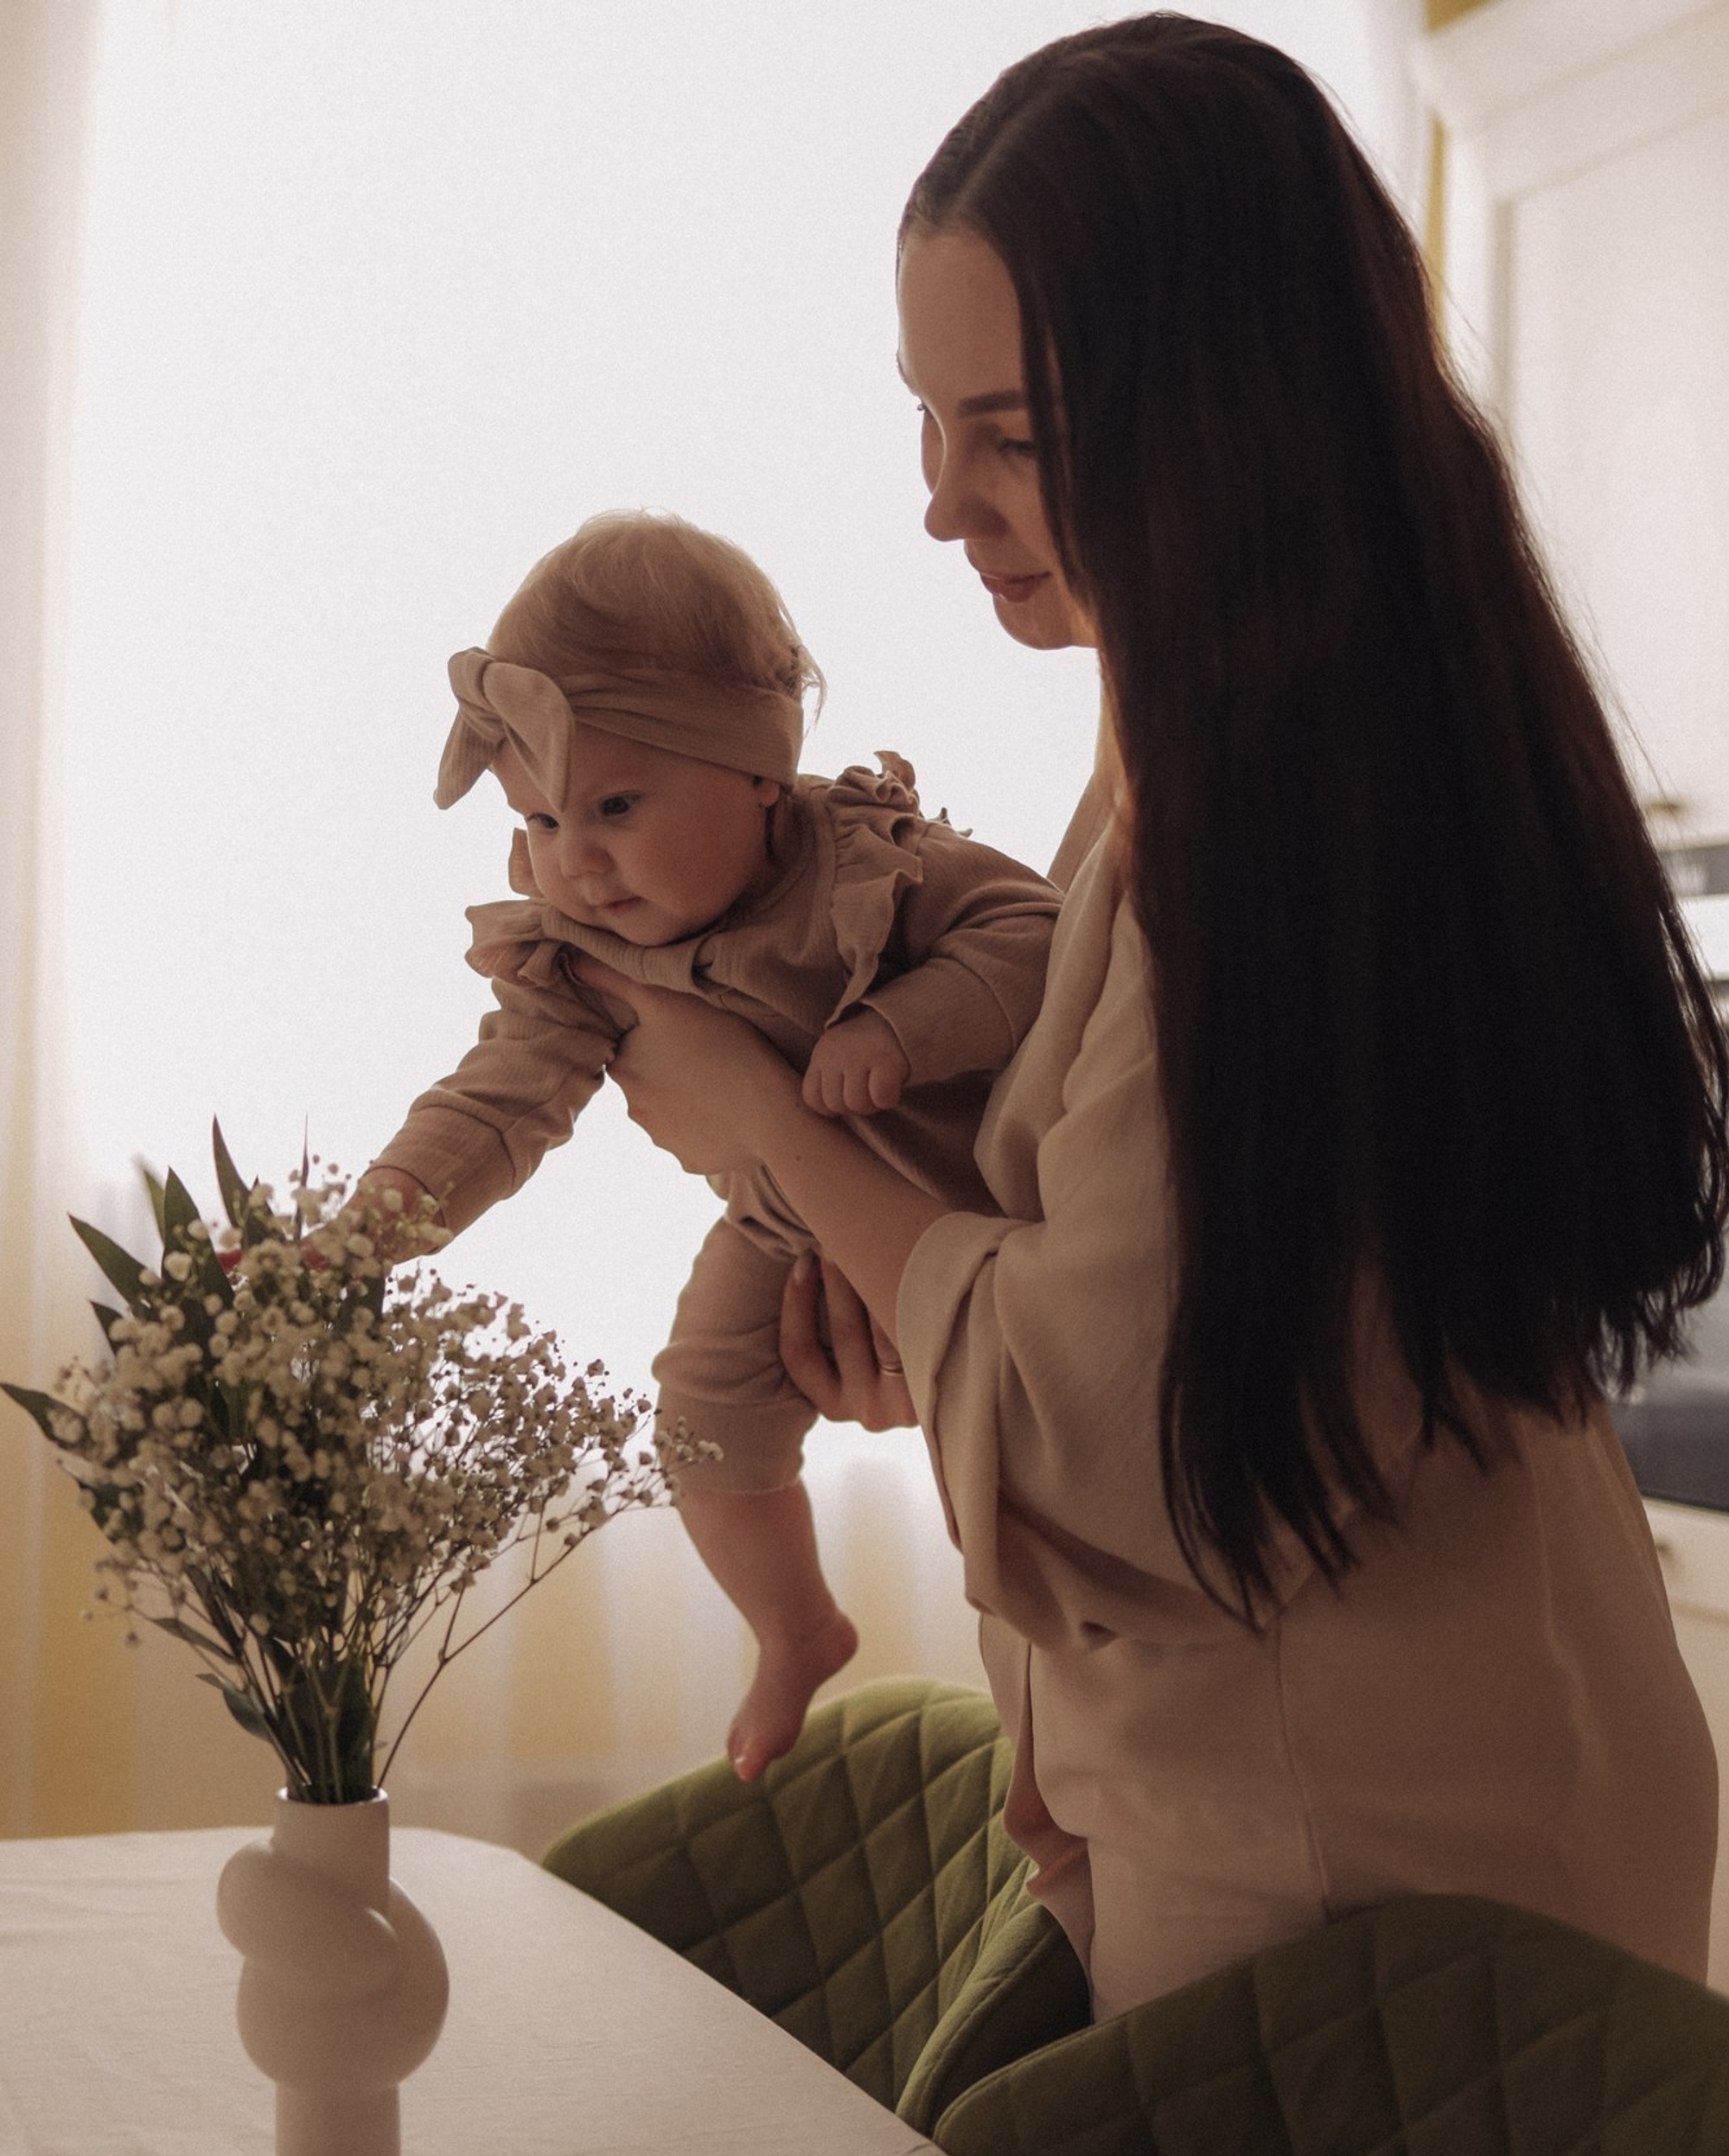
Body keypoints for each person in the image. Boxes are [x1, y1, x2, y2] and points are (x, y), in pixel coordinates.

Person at [578, 16, 1729, 2019]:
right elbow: (1211, 1327)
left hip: (1372, 1856)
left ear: (1221, 416)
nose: (941, 504)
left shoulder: (1279, 818)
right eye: (925, 421)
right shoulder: (1261, 735)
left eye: (1010, 434)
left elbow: (1114, 1435)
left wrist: (768, 1124)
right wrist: (943, 1342)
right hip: (1420, 1776)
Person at [362, 510, 1061, 1778]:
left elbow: (1036, 936)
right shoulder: (579, 952)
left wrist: (904, 1027)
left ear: (758, 771)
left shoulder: (871, 866)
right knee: (699, 1412)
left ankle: (1047, 1662)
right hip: (785, 1234)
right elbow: (499, 1098)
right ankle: (795, 1627)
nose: (576, 862)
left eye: (616, 806)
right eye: (537, 821)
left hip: (968, 1219)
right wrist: (383, 1215)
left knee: (1006, 1473)